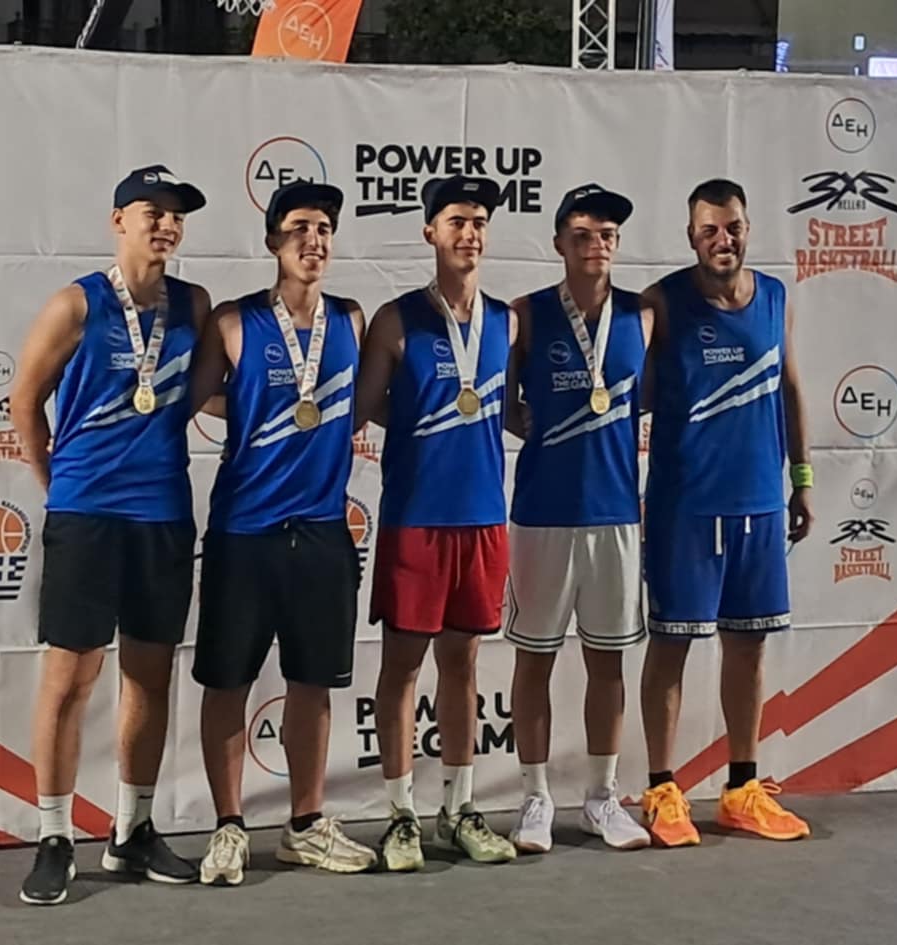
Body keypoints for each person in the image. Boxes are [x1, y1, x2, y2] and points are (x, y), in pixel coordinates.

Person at [10, 165, 210, 905]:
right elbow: (24, 401)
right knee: (69, 679)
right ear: (118, 220)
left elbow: (210, 392)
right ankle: (54, 835)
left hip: (162, 514)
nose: (165, 224)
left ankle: (133, 829)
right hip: (88, 515)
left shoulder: (193, 304)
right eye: (151, 211)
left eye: (176, 215)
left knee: (150, 676)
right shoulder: (76, 304)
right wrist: (59, 487)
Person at [185, 180, 376, 886]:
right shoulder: (234, 322)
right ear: (272, 241)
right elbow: (188, 400)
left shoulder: (351, 319)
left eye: (323, 228)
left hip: (323, 530)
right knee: (227, 682)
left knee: (312, 683)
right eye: (298, 227)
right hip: (244, 532)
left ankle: (305, 824)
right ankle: (229, 826)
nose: (312, 240)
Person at [639, 178, 814, 848]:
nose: (723, 240)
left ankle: (742, 787)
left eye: (733, 227)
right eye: (710, 229)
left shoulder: (774, 297)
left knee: (748, 644)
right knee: (672, 644)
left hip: (760, 504)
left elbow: (790, 388)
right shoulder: (661, 303)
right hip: (686, 506)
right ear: (691, 236)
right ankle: (662, 789)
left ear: (748, 229)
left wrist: (801, 478)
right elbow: (628, 393)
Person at [354, 175, 521, 870]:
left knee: (463, 664)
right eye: (456, 220)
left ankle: (459, 808)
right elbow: (361, 408)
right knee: (401, 667)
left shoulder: (508, 321)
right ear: (430, 231)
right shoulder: (396, 320)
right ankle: (401, 814)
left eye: (479, 221)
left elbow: (512, 409)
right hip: (415, 519)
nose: (469, 233)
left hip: (483, 519)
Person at [502, 184, 654, 855]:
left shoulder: (642, 316)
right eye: (583, 234)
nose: (597, 246)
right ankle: (535, 797)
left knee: (607, 661)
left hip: (615, 512)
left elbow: (651, 401)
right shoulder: (527, 315)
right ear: (559, 243)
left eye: (607, 235)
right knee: (533, 661)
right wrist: (537, 429)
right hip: (542, 513)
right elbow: (503, 405)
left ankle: (600, 796)